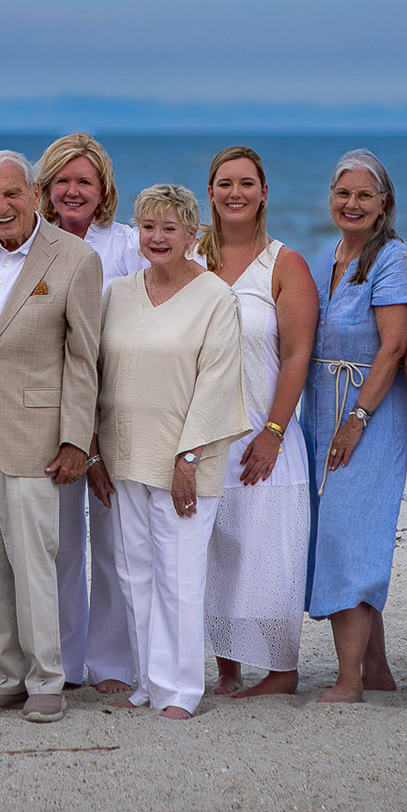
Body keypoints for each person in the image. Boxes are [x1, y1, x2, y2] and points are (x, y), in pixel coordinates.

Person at [0, 150, 103, 724]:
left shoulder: (75, 258)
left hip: (35, 431)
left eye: (11, 194)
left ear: (34, 193)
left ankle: (47, 679)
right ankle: (9, 675)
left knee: (35, 560)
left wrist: (78, 438)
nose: (1, 207)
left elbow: (84, 359)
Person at [88, 185, 248, 719]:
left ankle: (181, 690)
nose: (157, 237)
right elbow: (96, 374)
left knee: (179, 574)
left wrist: (189, 459)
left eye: (169, 228)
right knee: (133, 571)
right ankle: (148, 681)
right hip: (122, 453)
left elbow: (219, 383)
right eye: (148, 227)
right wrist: (93, 451)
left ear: (192, 235)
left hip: (184, 459)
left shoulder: (215, 297)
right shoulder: (118, 292)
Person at [199, 147, 316, 699]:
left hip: (265, 431)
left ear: (264, 192)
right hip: (202, 431)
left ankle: (280, 670)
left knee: (268, 550)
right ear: (211, 191)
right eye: (225, 183)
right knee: (215, 549)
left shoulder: (284, 263)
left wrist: (272, 431)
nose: (235, 193)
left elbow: (296, 354)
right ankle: (227, 670)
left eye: (247, 183)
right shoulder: (190, 257)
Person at [302, 149, 407, 704]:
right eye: (343, 193)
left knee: (351, 536)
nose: (352, 203)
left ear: (383, 203)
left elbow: (393, 347)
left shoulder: (390, 256)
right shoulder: (329, 255)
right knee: (341, 535)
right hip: (319, 406)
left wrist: (356, 420)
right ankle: (377, 670)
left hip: (369, 411)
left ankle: (349, 680)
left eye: (364, 195)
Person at [34, 132, 144, 695]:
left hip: (120, 411)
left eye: (84, 181)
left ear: (103, 190)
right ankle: (61, 664)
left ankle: (112, 665)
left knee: (115, 540)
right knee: (55, 545)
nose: (73, 191)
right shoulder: (30, 245)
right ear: (45, 188)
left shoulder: (127, 246)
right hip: (47, 413)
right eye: (63, 180)